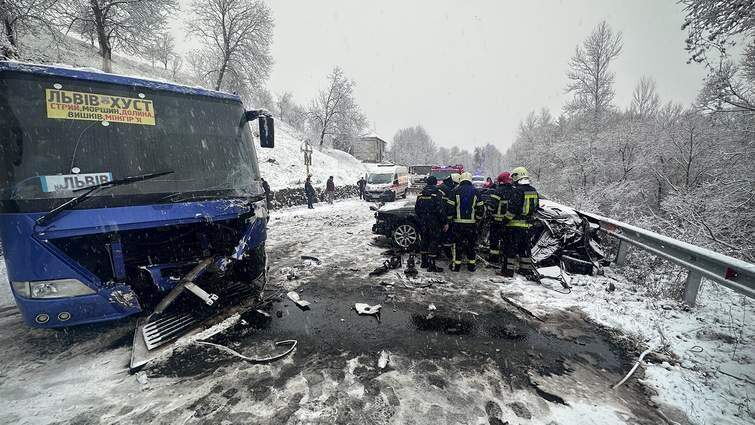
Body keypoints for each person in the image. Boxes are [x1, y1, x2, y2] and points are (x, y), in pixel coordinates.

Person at [499, 166, 540, 278]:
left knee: (510, 249)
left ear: (517, 176)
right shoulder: (533, 191)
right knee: (525, 249)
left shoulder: (517, 191)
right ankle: (525, 270)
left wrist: (504, 221)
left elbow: (512, 210)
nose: (512, 180)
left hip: (514, 226)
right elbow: (536, 208)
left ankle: (507, 271)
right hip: (528, 226)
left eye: (514, 177)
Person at [446, 172, 485, 272]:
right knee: (471, 245)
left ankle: (457, 266)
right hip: (471, 225)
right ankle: (471, 266)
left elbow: (450, 208)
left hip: (457, 224)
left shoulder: (455, 191)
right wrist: (477, 219)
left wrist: (449, 219)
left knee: (457, 245)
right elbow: (481, 209)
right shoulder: (476, 192)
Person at [415, 176, 447, 272]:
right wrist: (444, 222)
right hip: (434, 222)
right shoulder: (438, 194)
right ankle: (432, 264)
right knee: (434, 241)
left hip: (423, 222)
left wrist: (421, 218)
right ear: (435, 183)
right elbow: (440, 210)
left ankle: (424, 262)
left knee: (424, 240)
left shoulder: (421, 194)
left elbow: (417, 209)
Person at [486, 172, 514, 264]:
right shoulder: (515, 191)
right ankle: (504, 258)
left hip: (497, 221)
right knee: (506, 241)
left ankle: (494, 258)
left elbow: (491, 207)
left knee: (494, 240)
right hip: (509, 221)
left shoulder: (497, 191)